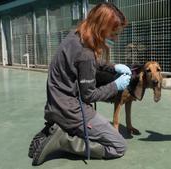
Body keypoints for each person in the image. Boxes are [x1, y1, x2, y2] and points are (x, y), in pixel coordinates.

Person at [28, 2, 131, 165]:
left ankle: (54, 127)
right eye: (113, 34)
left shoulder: (76, 36)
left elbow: (87, 64)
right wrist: (115, 86)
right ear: (102, 28)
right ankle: (63, 139)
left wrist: (113, 67)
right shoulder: (86, 53)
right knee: (118, 146)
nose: (115, 39)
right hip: (70, 110)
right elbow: (89, 95)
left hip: (55, 103)